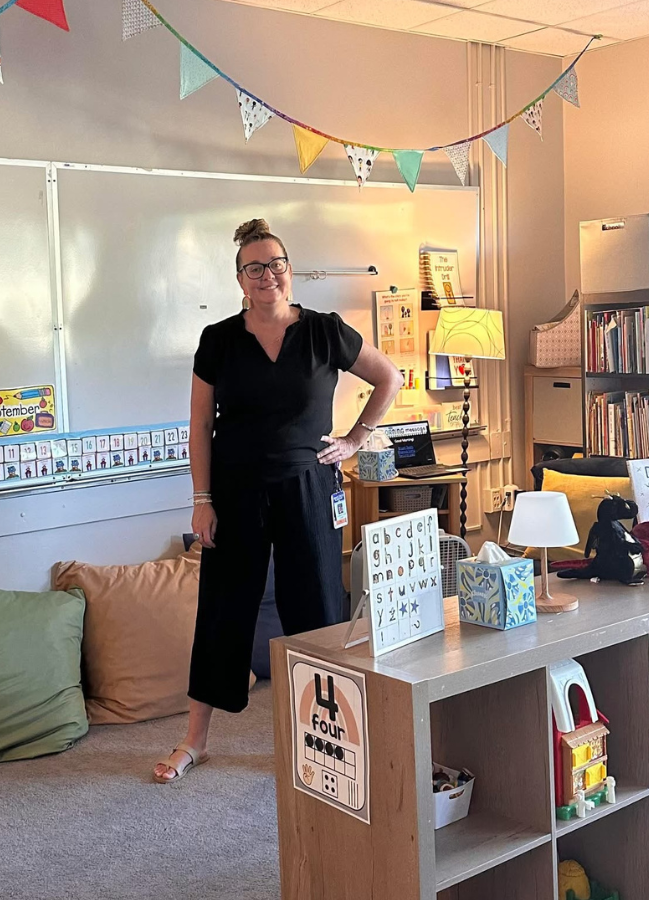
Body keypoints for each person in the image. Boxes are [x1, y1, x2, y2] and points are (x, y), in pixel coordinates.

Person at [153, 218, 402, 783]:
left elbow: (388, 377)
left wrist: (355, 439)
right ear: (239, 279)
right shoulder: (217, 340)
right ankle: (196, 741)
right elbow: (198, 426)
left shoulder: (323, 331)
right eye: (254, 267)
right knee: (222, 611)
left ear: (290, 271)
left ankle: (328, 737)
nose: (267, 275)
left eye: (276, 264)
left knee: (316, 614)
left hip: (309, 489)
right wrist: (202, 498)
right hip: (235, 493)